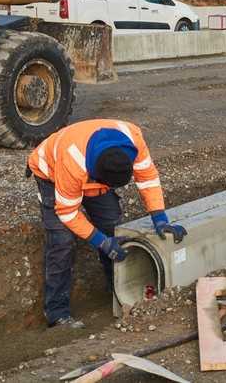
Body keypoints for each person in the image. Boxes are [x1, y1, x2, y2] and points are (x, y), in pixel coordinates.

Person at [27, 119, 187, 329]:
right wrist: (101, 241)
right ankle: (57, 314)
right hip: (53, 174)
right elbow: (67, 213)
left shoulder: (133, 140)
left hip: (93, 174)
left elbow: (147, 178)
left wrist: (159, 218)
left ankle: (119, 295)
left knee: (113, 228)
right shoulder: (73, 161)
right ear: (95, 174)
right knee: (62, 241)